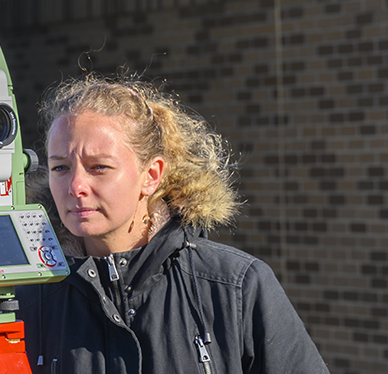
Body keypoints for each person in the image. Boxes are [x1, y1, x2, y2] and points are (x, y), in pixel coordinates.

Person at [16, 73, 329, 373]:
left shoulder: (235, 286)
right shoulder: (25, 298)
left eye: (99, 167)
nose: (76, 186)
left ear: (151, 176)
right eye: (60, 168)